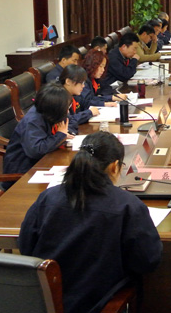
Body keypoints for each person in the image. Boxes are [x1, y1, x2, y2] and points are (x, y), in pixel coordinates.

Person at [18, 132, 162, 313]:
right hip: (98, 303)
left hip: (46, 301)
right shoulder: (128, 206)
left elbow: (25, 246)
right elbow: (147, 261)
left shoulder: (48, 197)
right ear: (114, 166)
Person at [3, 83, 72, 188]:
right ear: (54, 108)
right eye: (65, 108)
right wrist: (60, 135)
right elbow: (36, 150)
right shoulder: (33, 121)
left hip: (37, 165)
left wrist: (62, 136)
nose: (67, 111)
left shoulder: (46, 113)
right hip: (21, 175)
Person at [59, 64, 100, 134]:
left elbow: (85, 103)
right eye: (81, 83)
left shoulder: (73, 95)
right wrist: (89, 113)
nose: (83, 86)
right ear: (68, 81)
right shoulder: (58, 98)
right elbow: (69, 121)